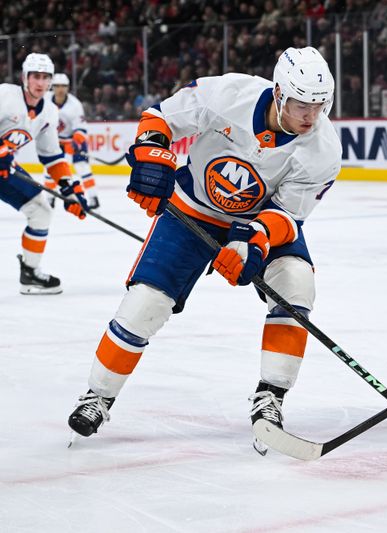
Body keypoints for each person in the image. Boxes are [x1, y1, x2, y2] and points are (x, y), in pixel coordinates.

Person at [66, 47, 341, 455]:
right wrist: (152, 152)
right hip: (191, 208)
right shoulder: (229, 93)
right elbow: (161, 118)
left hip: (258, 222)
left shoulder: (323, 149)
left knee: (297, 287)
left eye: (319, 106)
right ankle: (98, 396)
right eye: (302, 104)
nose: (310, 116)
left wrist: (254, 242)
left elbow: (287, 216)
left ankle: (270, 400)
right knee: (145, 303)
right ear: (280, 93)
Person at [0, 53, 88, 295]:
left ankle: (30, 273)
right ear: (24, 77)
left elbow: (51, 156)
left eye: (45, 77)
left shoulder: (49, 111)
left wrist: (71, 188)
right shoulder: (5, 95)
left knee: (40, 210)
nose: (40, 82)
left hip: (3, 171)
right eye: (35, 76)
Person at [47, 73, 100, 209]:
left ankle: (93, 198)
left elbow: (81, 128)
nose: (60, 89)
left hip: (74, 141)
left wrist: (76, 142)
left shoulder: (75, 105)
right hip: (54, 142)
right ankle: (49, 198)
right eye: (57, 86)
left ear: (68, 87)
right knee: (50, 169)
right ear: (52, 87)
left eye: (63, 86)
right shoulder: (45, 100)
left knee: (83, 168)